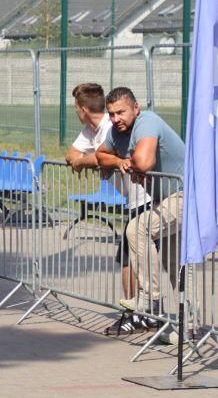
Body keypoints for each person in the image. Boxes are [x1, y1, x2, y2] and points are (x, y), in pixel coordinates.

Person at [96, 87, 185, 320]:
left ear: (136, 108)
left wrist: (130, 163)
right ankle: (190, 326)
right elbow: (100, 155)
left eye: (121, 112)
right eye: (111, 114)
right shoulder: (116, 132)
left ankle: (150, 297)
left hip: (186, 195)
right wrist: (119, 162)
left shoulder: (147, 122)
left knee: (137, 229)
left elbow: (144, 162)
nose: (116, 119)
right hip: (164, 199)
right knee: (174, 262)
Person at [65, 83, 151, 308]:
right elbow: (71, 155)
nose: (76, 112)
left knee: (133, 258)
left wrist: (86, 162)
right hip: (132, 200)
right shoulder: (90, 131)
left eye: (76, 108)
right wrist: (84, 160)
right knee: (128, 258)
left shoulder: (109, 126)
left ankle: (140, 310)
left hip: (146, 198)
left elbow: (99, 158)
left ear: (83, 110)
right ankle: (135, 309)